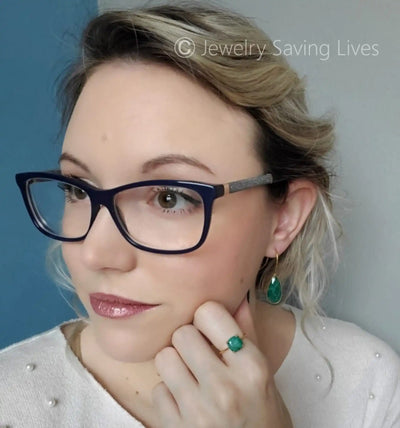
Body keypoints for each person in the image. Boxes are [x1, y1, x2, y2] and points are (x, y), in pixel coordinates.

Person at [1, 3, 399, 427]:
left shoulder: (369, 382)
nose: (96, 253)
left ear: (283, 218)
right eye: (76, 188)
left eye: (170, 198)